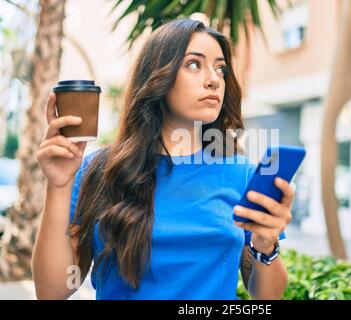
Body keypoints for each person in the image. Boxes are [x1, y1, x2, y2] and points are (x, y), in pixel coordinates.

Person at [32, 18, 293, 300]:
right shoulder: (99, 170)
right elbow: (52, 291)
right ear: (158, 76)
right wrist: (58, 187)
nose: (214, 79)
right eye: (194, 64)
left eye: (221, 68)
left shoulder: (241, 173)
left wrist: (266, 246)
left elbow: (267, 297)